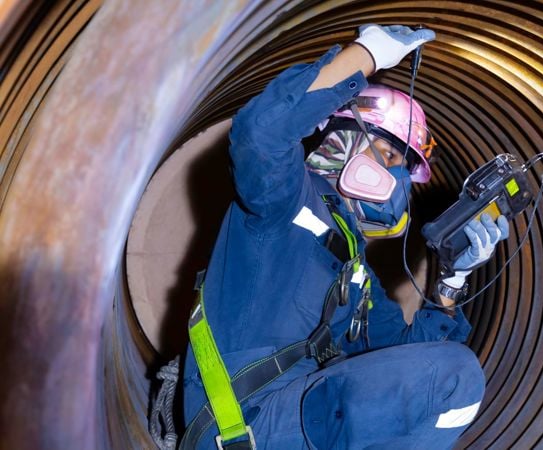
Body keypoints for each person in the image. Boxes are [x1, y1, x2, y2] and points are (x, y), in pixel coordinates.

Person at [180, 24, 510, 449]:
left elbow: (406, 358)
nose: (396, 178)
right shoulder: (285, 200)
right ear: (345, 139)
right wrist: (364, 56)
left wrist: (450, 280)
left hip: (295, 421)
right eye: (388, 154)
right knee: (455, 378)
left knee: (445, 380)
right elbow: (261, 136)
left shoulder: (357, 274)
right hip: (245, 422)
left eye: (404, 168)